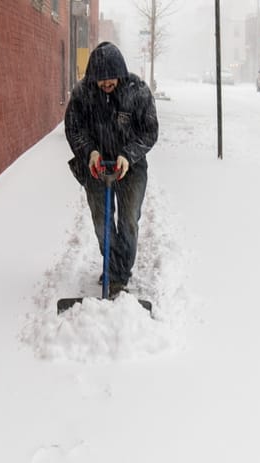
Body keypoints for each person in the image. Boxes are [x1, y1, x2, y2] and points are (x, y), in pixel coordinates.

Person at [64, 42, 159, 297]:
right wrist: (90, 153)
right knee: (102, 222)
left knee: (128, 220)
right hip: (97, 167)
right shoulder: (83, 94)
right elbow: (74, 128)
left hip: (131, 167)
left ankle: (118, 273)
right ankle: (114, 269)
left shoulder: (137, 91)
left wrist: (128, 155)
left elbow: (150, 131)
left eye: (110, 79)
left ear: (120, 73)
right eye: (100, 80)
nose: (106, 84)